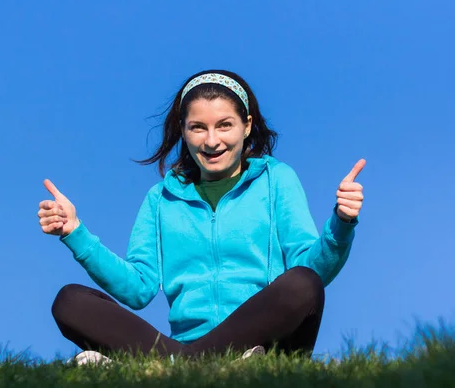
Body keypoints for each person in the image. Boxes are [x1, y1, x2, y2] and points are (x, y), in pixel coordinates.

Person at [38, 70, 365, 364]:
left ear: (246, 125)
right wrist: (75, 231)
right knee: (69, 301)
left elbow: (312, 267)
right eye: (198, 128)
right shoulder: (160, 199)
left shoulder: (277, 180)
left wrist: (342, 223)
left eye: (224, 125)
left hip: (269, 342)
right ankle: (195, 364)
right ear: (183, 130)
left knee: (303, 282)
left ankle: (174, 366)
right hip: (183, 343)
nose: (211, 141)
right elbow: (137, 289)